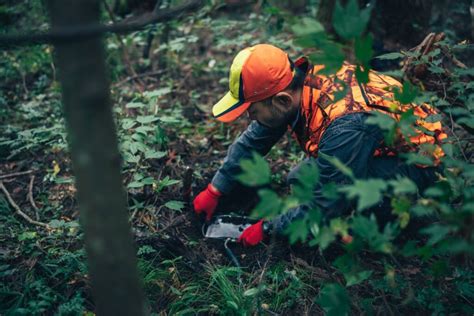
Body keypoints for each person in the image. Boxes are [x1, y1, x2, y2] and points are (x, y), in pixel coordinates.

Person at [193, 44, 446, 247]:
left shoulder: (345, 124)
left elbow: (328, 201)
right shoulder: (296, 86)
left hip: (422, 163)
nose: (251, 118)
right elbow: (253, 141)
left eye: (253, 111)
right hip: (375, 144)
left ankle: (405, 223)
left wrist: (269, 229)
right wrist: (216, 189)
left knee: (339, 199)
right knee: (300, 179)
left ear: (281, 100)